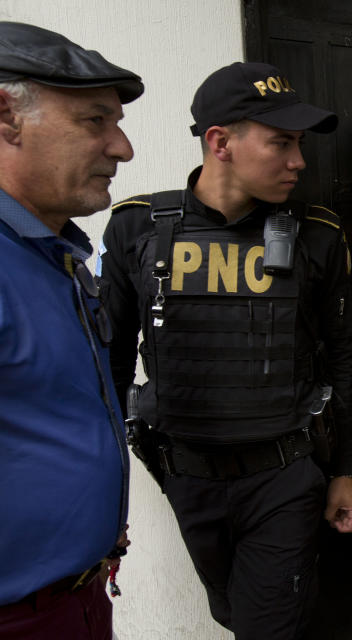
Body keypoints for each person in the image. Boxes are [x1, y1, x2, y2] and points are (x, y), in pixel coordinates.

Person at [99, 61, 352, 639]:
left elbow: (342, 358)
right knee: (233, 614)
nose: (298, 161)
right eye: (281, 143)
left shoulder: (318, 233)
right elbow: (109, 364)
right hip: (185, 475)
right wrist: (105, 488)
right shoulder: (136, 228)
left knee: (267, 627)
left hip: (284, 475)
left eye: (298, 144)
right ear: (220, 142)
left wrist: (348, 471)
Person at [0, 21, 141, 639]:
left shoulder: (50, 252)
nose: (123, 148)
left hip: (77, 598)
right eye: (94, 121)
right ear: (5, 115)